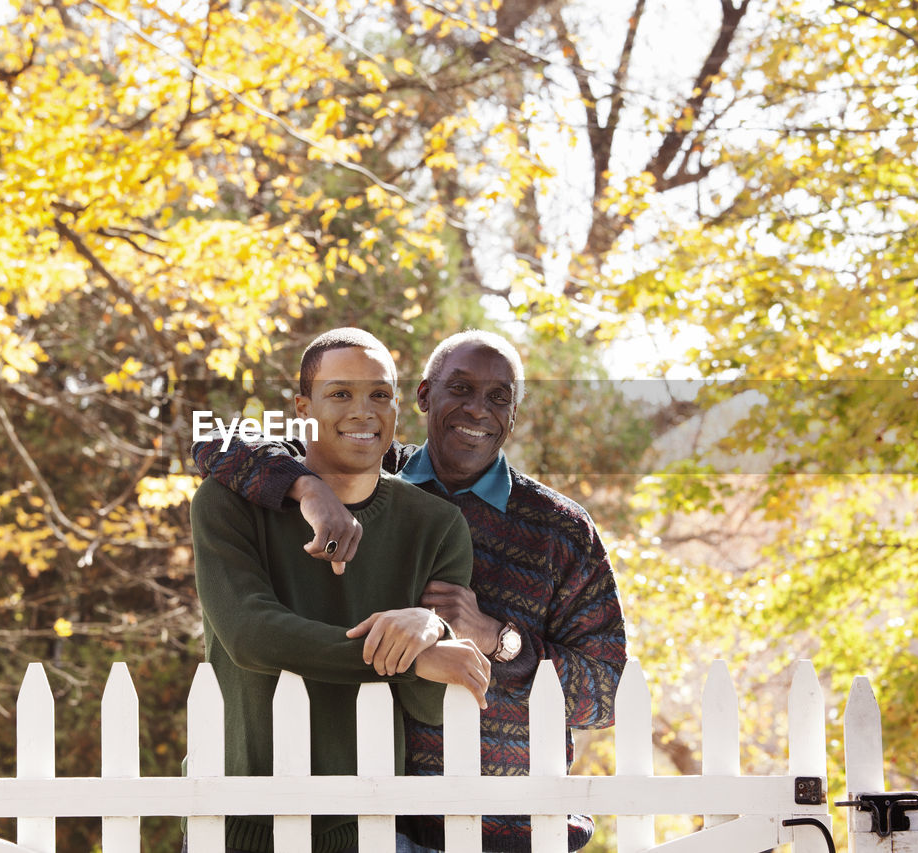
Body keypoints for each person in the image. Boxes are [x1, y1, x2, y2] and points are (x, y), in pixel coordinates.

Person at [193, 329, 628, 852]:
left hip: (515, 829)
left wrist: (496, 639)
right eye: (460, 389)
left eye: (498, 398)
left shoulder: (561, 529)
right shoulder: (366, 469)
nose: (478, 410)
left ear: (513, 414)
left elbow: (604, 696)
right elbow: (214, 442)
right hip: (387, 820)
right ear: (424, 396)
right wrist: (307, 489)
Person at [188, 327, 492, 853]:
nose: (363, 411)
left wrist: (431, 633)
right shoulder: (227, 503)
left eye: (379, 394)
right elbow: (249, 634)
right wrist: (410, 657)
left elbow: (427, 701)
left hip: (367, 826)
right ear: (304, 408)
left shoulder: (437, 525)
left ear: (398, 410)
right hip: (236, 822)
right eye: (340, 394)